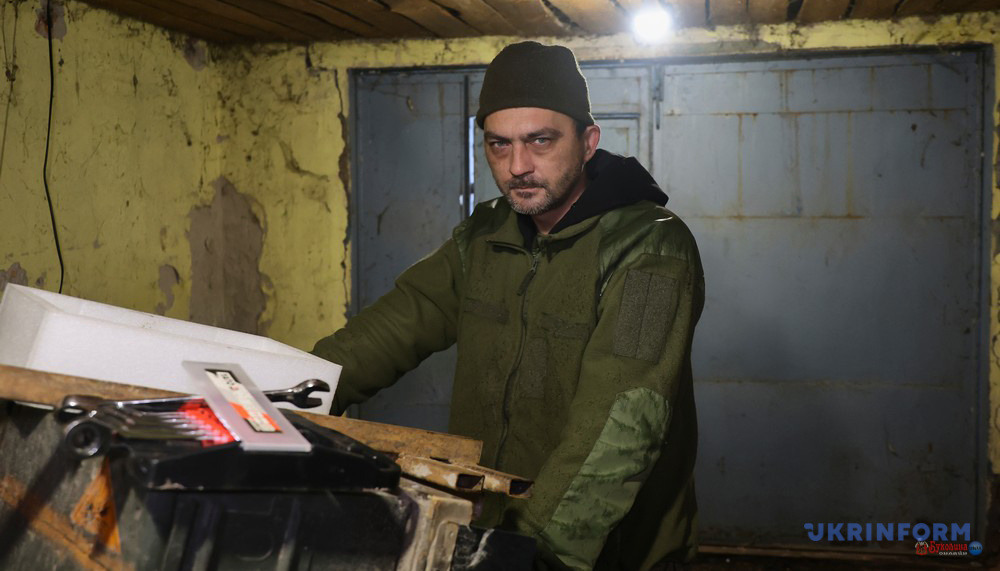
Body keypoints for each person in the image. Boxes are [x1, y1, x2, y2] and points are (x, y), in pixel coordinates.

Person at [312, 41, 704, 571]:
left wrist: (536, 552)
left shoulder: (650, 248)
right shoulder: (485, 236)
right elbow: (391, 328)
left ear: (588, 142)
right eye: (499, 144)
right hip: (491, 533)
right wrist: (286, 395)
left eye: (540, 140)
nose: (518, 166)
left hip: (598, 553)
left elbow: (624, 421)